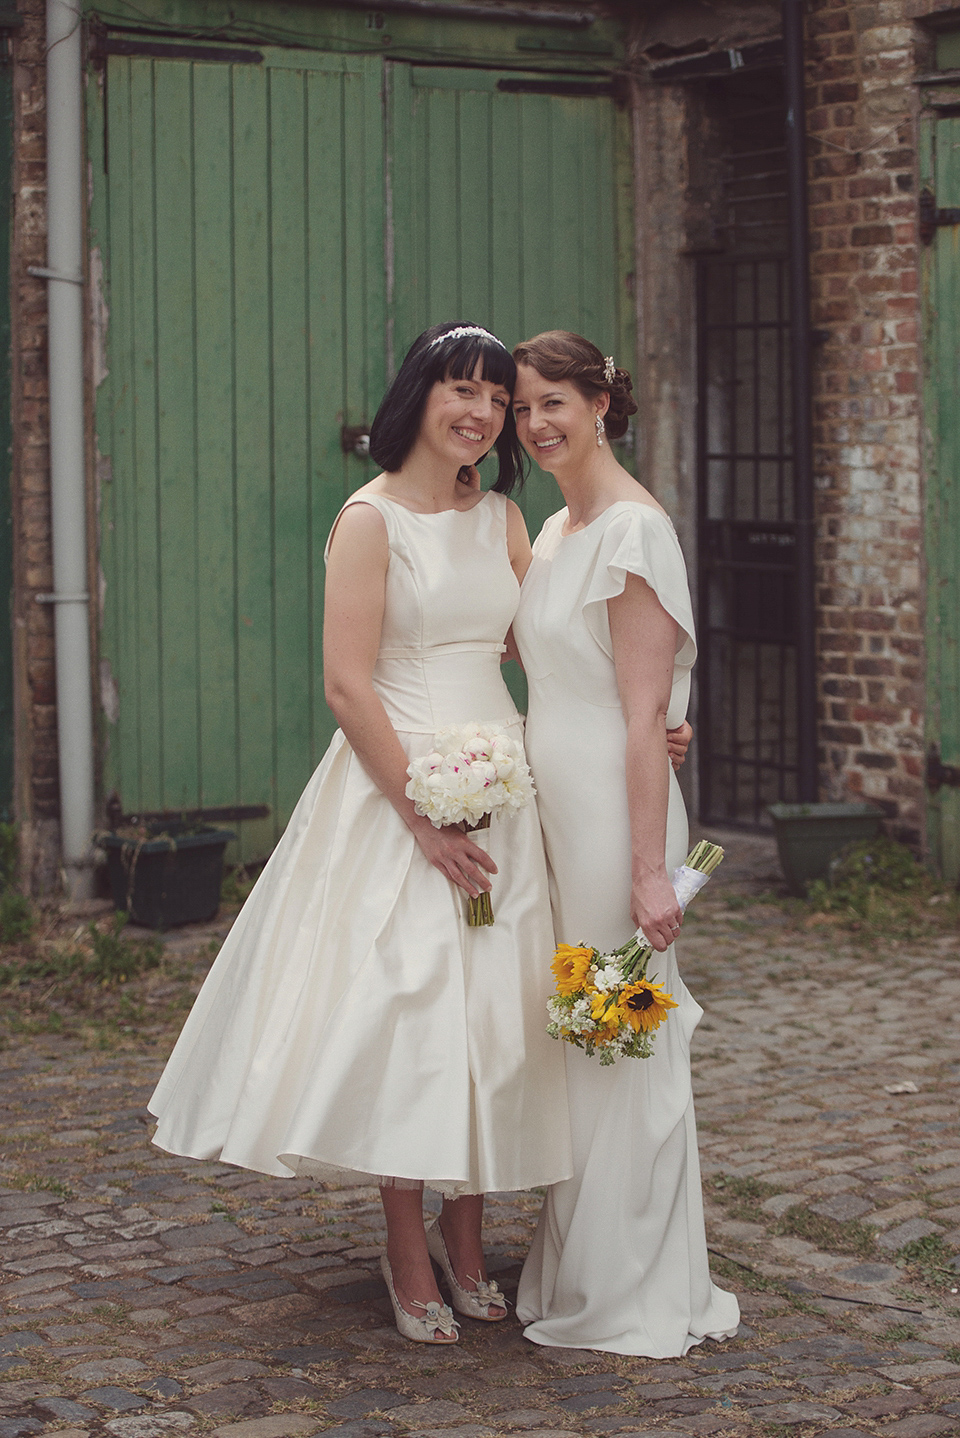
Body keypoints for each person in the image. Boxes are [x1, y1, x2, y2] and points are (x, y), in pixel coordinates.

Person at [148, 322, 573, 1344]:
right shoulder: (368, 520)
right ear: (418, 397)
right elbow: (346, 683)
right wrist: (423, 819)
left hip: (504, 788)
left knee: (494, 1020)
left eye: (495, 397)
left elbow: (546, 644)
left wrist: (645, 712)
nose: (477, 411)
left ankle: (469, 1237)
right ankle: (403, 1237)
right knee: (411, 1013)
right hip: (401, 788)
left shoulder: (508, 514)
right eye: (458, 389)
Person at [509, 330, 740, 1356]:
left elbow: (645, 715)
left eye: (555, 400)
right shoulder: (556, 530)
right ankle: (577, 1259)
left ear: (603, 401)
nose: (538, 423)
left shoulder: (635, 534)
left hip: (614, 818)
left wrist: (652, 869)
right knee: (579, 1032)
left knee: (620, 1038)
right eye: (522, 409)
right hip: (554, 811)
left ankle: (633, 1280)